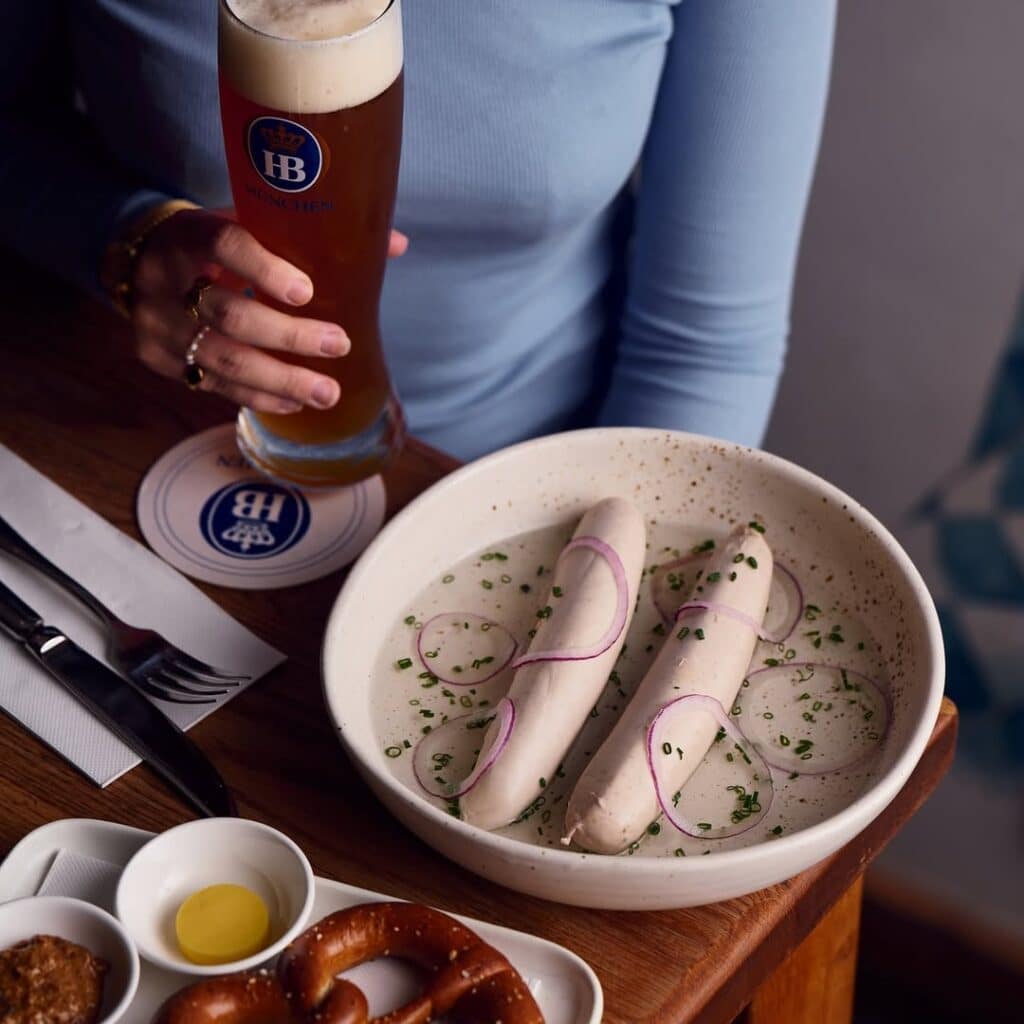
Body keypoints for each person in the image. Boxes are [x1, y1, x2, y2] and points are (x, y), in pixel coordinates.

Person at [0, 1, 835, 462]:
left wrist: (606, 574)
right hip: (147, 440)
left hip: (528, 476)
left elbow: (708, 343)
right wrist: (118, 238)